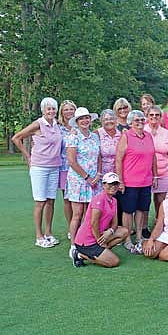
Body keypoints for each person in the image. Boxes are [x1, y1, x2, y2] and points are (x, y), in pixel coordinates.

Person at [12, 97, 63, 248]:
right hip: (40, 167)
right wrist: (28, 157)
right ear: (43, 110)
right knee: (40, 202)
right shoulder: (38, 124)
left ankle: (48, 233)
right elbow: (16, 138)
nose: (51, 111)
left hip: (55, 166)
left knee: (50, 201)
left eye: (53, 108)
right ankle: (39, 236)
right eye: (49, 109)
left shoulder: (56, 124)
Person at [115, 110, 157, 254]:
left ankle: (139, 237)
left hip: (145, 181)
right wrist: (120, 180)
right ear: (130, 122)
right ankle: (127, 239)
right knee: (128, 211)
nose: (140, 122)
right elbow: (119, 159)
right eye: (136, 120)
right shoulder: (126, 136)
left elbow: (153, 157)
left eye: (141, 120)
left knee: (142, 209)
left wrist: (155, 176)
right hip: (130, 181)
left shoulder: (148, 136)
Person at [64, 107, 102, 257]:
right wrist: (87, 177)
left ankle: (87, 242)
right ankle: (74, 244)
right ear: (77, 122)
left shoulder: (94, 136)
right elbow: (72, 161)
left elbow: (99, 156)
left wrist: (98, 175)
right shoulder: (73, 137)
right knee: (77, 214)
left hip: (94, 180)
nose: (85, 121)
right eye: (82, 119)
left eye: (87, 118)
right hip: (79, 181)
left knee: (90, 214)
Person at [71, 172, 130, 268]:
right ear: (103, 185)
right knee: (114, 262)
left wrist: (109, 232)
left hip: (100, 235)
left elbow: (115, 223)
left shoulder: (114, 200)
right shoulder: (99, 199)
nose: (113, 186)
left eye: (116, 184)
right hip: (86, 241)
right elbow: (94, 223)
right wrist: (100, 241)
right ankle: (80, 254)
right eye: (110, 184)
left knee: (124, 231)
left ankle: (101, 251)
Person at [145, 105, 168, 236]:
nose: (154, 118)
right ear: (147, 117)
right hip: (146, 173)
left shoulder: (166, 132)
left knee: (161, 201)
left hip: (163, 171)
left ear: (160, 117)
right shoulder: (143, 131)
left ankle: (160, 223)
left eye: (157, 115)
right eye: (151, 115)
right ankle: (144, 227)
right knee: (145, 201)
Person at [95, 109, 122, 225]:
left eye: (111, 118)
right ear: (101, 121)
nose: (109, 121)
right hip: (103, 172)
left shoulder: (121, 134)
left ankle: (115, 225)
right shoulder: (97, 133)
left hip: (117, 171)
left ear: (116, 120)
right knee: (103, 200)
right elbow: (96, 154)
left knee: (116, 200)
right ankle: (102, 226)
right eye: (106, 119)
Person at [57, 99, 77, 236]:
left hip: (79, 167)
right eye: (66, 109)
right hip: (64, 166)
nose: (69, 112)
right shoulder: (58, 127)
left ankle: (80, 226)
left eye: (71, 109)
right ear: (62, 112)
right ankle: (71, 228)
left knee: (79, 199)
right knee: (67, 199)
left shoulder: (79, 125)